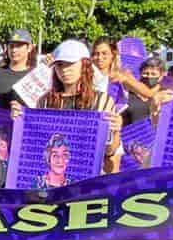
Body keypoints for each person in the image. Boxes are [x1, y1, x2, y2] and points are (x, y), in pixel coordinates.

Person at [40, 39, 120, 174]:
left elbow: (109, 150)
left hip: (87, 179)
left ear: (84, 65)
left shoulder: (102, 100)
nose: (64, 70)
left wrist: (116, 130)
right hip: (54, 179)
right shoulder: (45, 101)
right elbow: (38, 142)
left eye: (70, 64)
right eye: (59, 65)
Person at [0, 30, 37, 107]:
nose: (14, 50)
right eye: (11, 46)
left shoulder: (36, 75)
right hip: (0, 119)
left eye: (19, 46)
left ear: (29, 48)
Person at [122, 58, 169, 126]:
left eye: (153, 74)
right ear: (140, 74)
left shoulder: (165, 95)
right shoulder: (128, 93)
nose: (149, 76)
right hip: (130, 133)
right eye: (145, 73)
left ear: (161, 76)